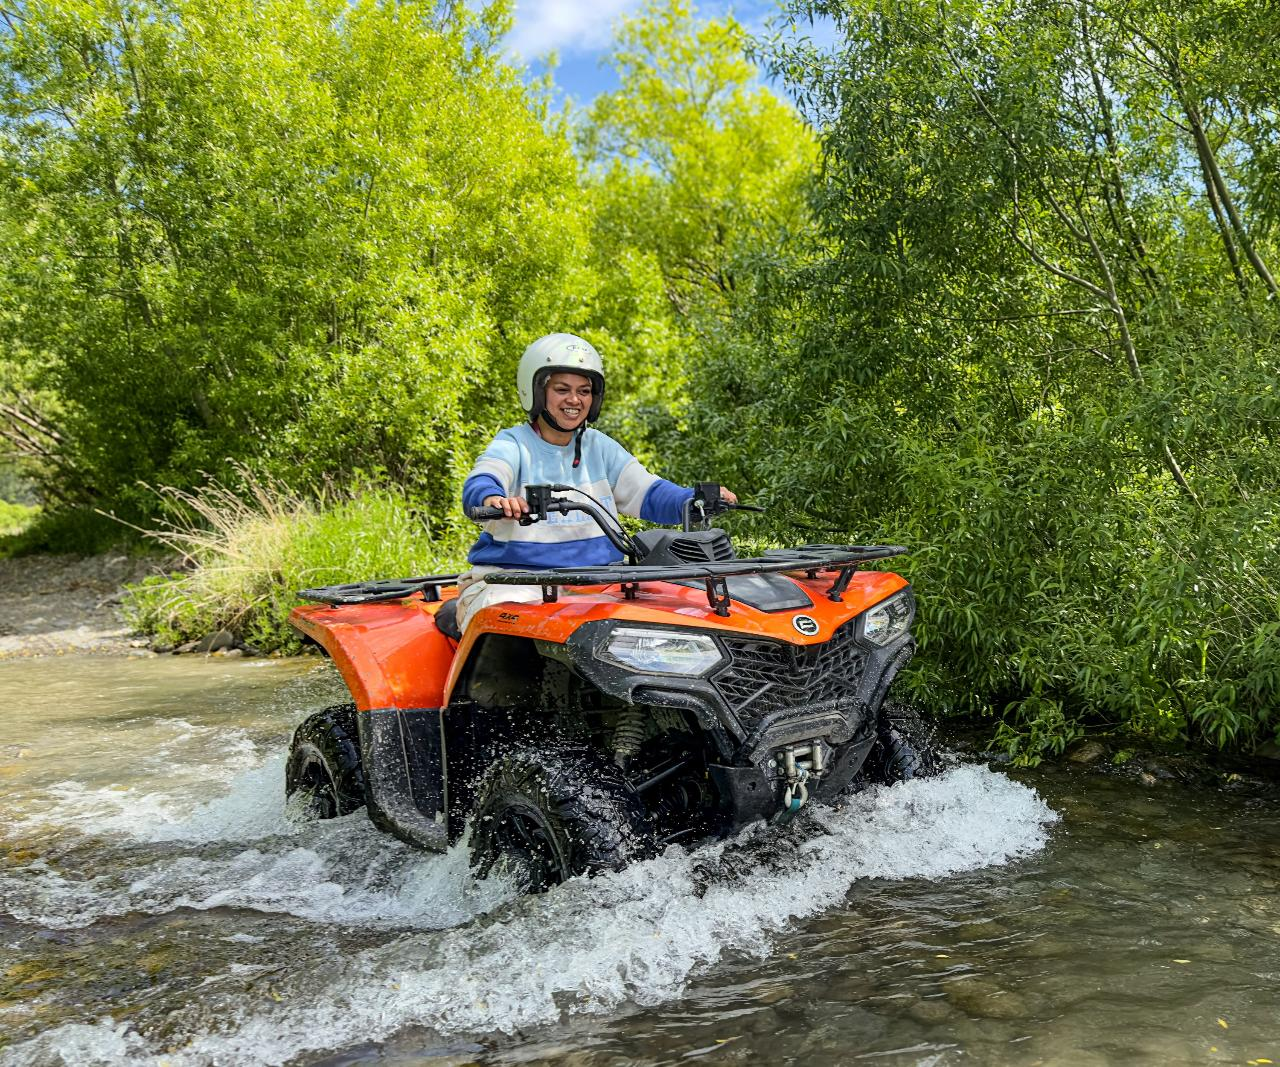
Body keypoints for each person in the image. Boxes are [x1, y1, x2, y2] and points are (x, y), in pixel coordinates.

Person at [455, 332, 736, 632]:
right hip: (518, 583)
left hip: (600, 584)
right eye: (562, 389)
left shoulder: (599, 447)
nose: (575, 400)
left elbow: (649, 493)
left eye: (585, 391)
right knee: (503, 623)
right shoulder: (514, 443)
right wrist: (493, 498)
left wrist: (693, 500)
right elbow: (484, 478)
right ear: (536, 392)